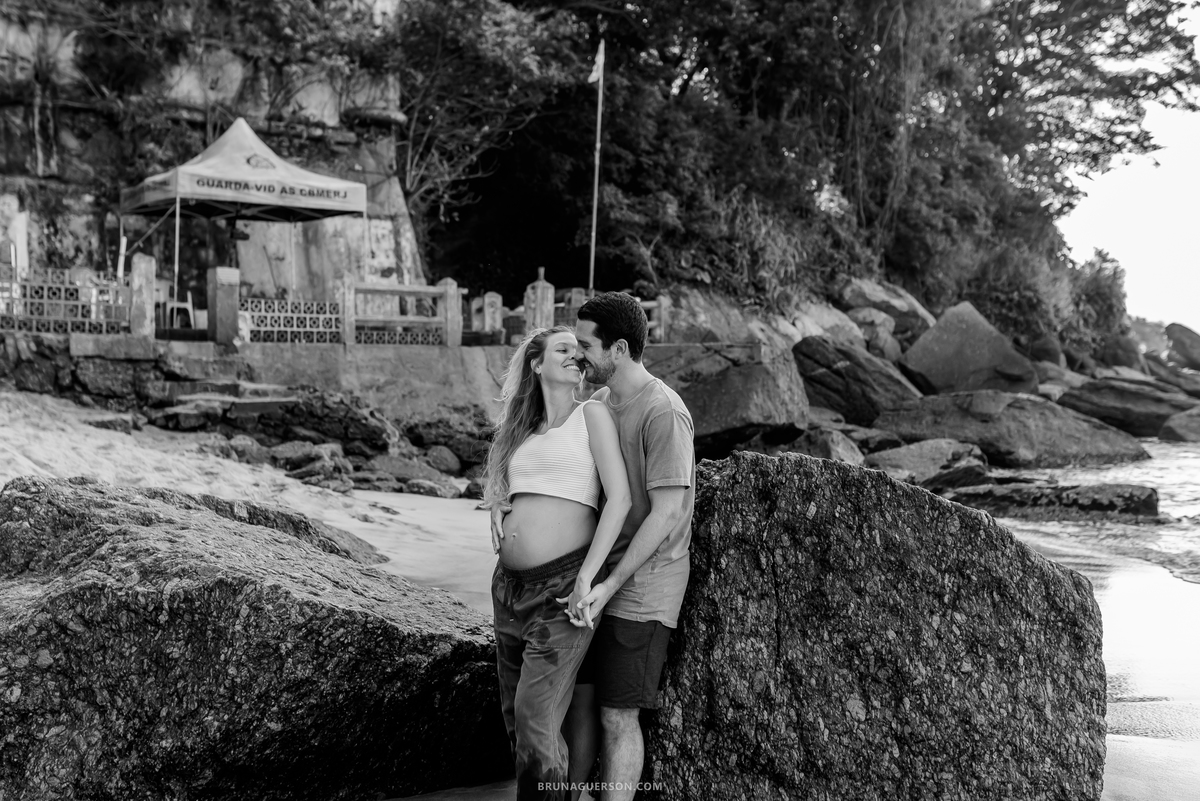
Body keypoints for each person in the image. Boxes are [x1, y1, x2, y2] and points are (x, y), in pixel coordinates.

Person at [483, 325, 632, 801]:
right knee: (516, 718)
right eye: (562, 349)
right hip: (508, 588)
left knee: (534, 715)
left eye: (578, 350)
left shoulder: (592, 415)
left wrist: (589, 576)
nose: (574, 356)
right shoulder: (520, 428)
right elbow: (505, 485)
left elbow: (620, 500)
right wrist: (497, 504)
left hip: (564, 586)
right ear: (536, 363)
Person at [572, 292, 696, 801]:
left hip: (644, 587)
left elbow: (667, 513)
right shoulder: (598, 405)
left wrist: (610, 584)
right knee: (576, 703)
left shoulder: (663, 411)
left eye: (585, 345)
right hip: (595, 578)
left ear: (618, 348)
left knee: (617, 715)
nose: (578, 354)